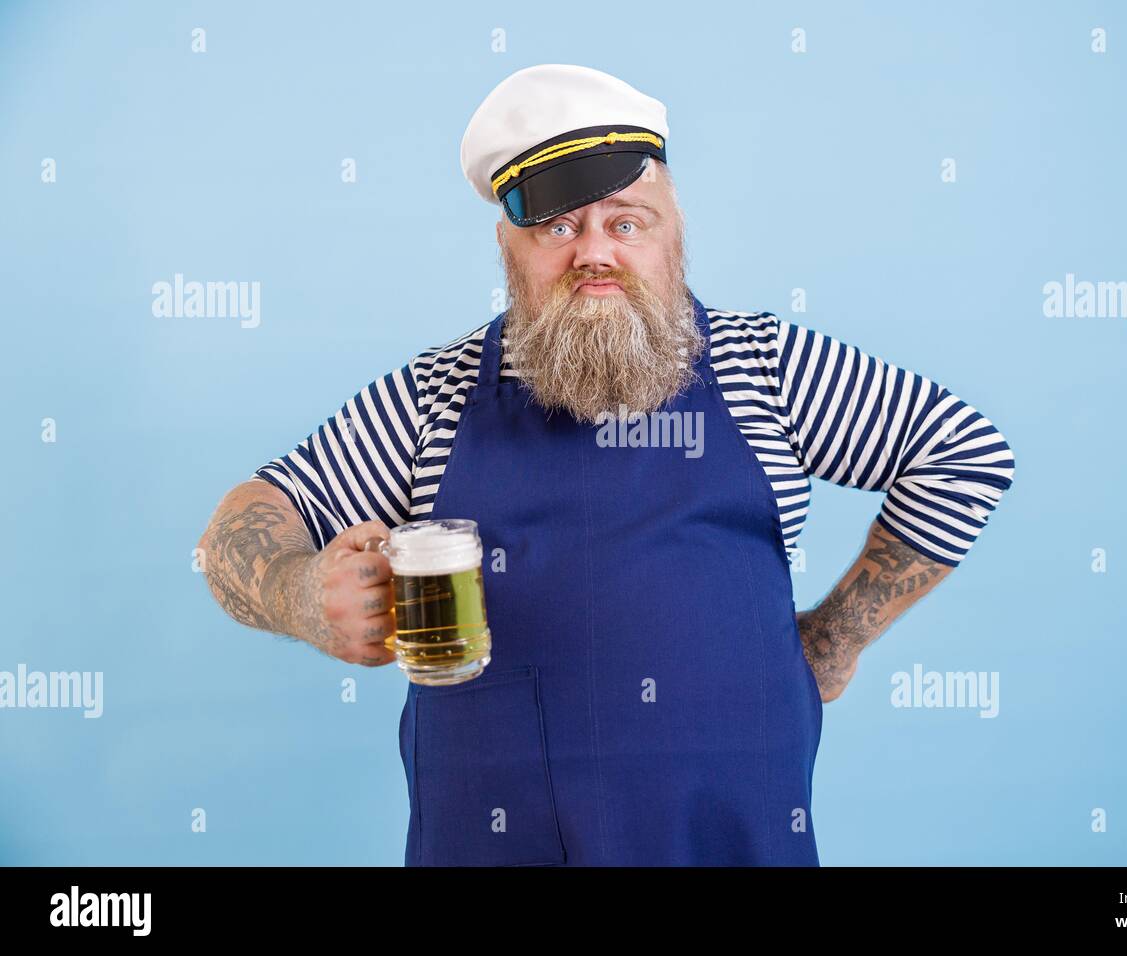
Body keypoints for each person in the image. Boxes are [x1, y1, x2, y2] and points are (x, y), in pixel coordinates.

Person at [196, 64, 1016, 866]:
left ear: (674, 234)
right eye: (557, 227)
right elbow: (242, 521)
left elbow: (964, 453)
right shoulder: (432, 397)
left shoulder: (764, 365)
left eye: (626, 222)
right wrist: (303, 595)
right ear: (506, 245)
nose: (594, 253)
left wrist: (837, 639)